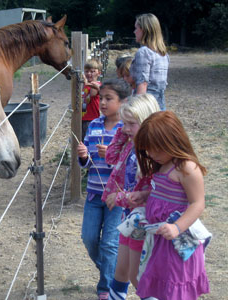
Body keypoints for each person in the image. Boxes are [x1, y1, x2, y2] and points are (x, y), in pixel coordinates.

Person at [134, 111, 210, 300]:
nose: (151, 154)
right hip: (161, 241)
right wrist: (145, 195)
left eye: (156, 149)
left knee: (175, 288)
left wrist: (177, 227)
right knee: (163, 287)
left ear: (172, 140)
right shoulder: (162, 165)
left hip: (177, 244)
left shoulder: (186, 168)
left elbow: (197, 203)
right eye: (148, 150)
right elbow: (163, 193)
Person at [101, 94, 160, 300]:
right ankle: (116, 295)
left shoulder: (151, 154)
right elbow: (110, 156)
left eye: (131, 124)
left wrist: (120, 198)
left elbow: (150, 193)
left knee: (136, 275)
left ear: (146, 123)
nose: (126, 128)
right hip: (130, 215)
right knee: (122, 268)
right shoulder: (130, 143)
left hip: (142, 217)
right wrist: (122, 132)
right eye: (124, 123)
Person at [77, 78, 132, 300]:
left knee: (110, 243)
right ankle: (114, 272)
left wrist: (110, 155)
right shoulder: (94, 125)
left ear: (123, 102)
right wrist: (84, 157)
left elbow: (129, 165)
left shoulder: (126, 130)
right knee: (89, 238)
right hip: (93, 194)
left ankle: (106, 287)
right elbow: (89, 163)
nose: (103, 103)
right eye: (102, 98)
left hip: (116, 197)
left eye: (109, 99)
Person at [130, 13, 169, 110]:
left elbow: (143, 83)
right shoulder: (163, 54)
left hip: (147, 103)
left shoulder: (144, 52)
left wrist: (138, 108)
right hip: (160, 102)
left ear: (144, 30)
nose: (134, 32)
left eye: (136, 28)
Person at [82, 59, 102, 140]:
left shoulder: (97, 84)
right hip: (83, 117)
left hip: (91, 118)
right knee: (82, 138)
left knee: (89, 139)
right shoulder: (85, 85)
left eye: (92, 71)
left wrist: (86, 83)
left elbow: (93, 93)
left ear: (99, 73)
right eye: (86, 71)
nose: (89, 74)